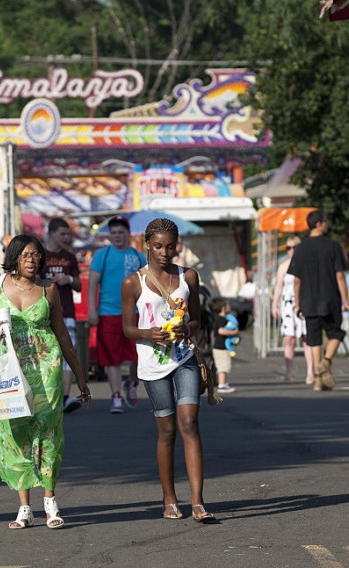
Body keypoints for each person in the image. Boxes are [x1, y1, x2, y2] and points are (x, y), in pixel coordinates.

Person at [0, 234, 91, 529]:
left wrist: (81, 378)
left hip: (46, 367)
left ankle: (50, 502)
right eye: (27, 255)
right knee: (15, 432)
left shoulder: (49, 289)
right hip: (10, 370)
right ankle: (24, 508)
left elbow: (63, 336)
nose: (33, 261)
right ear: (15, 257)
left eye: (37, 256)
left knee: (48, 430)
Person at [121, 218, 216, 523]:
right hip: (152, 364)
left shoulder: (189, 276)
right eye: (159, 245)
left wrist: (186, 328)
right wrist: (149, 334)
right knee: (168, 431)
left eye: (170, 246)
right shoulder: (133, 282)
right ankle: (169, 498)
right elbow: (127, 329)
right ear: (147, 244)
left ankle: (198, 502)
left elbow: (198, 319)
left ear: (178, 245)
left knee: (189, 421)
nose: (164, 251)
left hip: (184, 357)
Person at [88, 216, 146, 413]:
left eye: (121, 232)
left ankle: (132, 382)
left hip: (136, 313)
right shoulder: (102, 255)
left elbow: (148, 283)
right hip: (108, 312)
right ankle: (116, 396)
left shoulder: (139, 256)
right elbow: (93, 283)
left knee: (139, 356)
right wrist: (91, 309)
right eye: (113, 233)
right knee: (112, 358)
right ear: (109, 236)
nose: (117, 236)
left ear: (128, 234)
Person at [287, 210, 349, 392]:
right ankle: (325, 362)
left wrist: (298, 303)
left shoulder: (301, 249)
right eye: (325, 221)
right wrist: (345, 300)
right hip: (330, 299)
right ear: (319, 224)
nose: (327, 224)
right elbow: (340, 276)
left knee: (314, 341)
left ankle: (318, 380)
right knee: (337, 333)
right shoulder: (333, 246)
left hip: (308, 301)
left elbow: (296, 280)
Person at [43, 218, 83, 413]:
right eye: (62, 234)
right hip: (45, 313)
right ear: (51, 233)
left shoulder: (69, 257)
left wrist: (68, 279)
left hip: (67, 311)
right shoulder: (40, 255)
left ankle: (66, 397)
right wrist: (46, 282)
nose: (66, 238)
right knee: (47, 355)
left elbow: (79, 285)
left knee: (69, 354)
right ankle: (49, 397)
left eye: (68, 234)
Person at [271, 236, 314, 384]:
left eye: (294, 247)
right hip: (288, 303)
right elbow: (278, 286)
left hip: (303, 302)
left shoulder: (307, 264)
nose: (291, 251)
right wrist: (274, 304)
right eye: (288, 248)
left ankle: (310, 372)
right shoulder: (283, 266)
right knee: (289, 339)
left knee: (306, 338)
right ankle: (289, 373)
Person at [211, 297, 237, 394]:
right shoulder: (221, 319)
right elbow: (221, 331)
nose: (229, 306)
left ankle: (224, 383)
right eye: (228, 305)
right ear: (223, 308)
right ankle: (221, 385)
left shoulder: (220, 318)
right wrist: (233, 332)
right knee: (223, 367)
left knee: (224, 365)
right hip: (220, 347)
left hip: (220, 347)